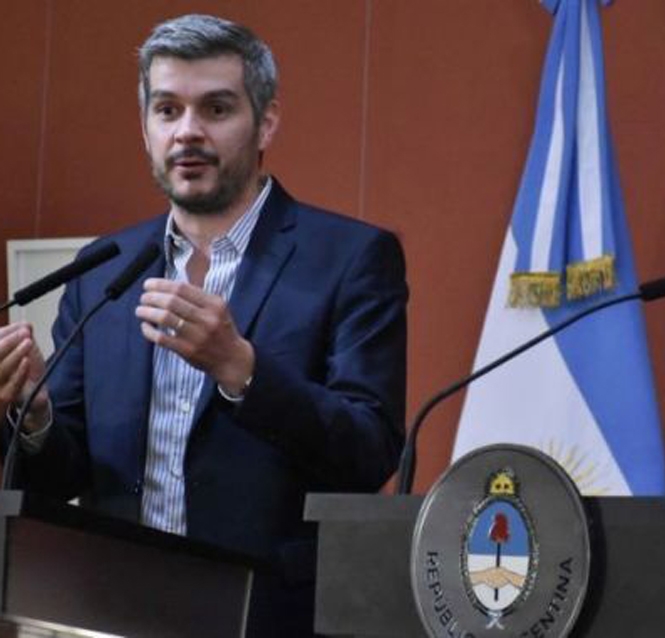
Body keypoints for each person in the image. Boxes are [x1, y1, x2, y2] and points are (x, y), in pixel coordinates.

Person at [0, 14, 407, 637]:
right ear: (146, 128)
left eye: (216, 109)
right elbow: (66, 473)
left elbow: (369, 452)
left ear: (265, 121)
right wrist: (34, 418)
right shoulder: (104, 266)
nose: (187, 131)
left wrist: (242, 370)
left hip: (271, 617)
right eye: (167, 110)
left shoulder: (350, 259)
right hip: (112, 613)